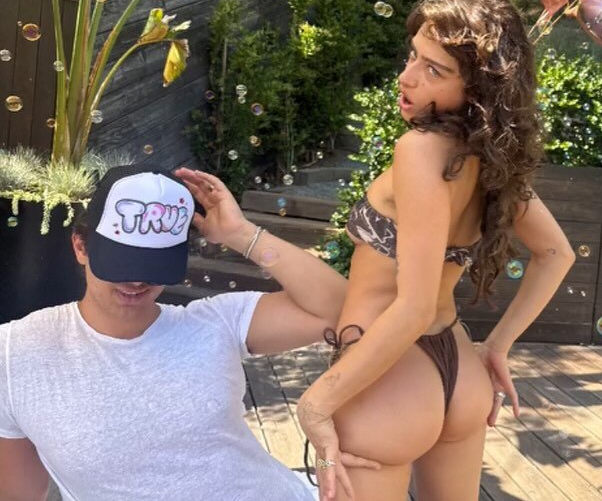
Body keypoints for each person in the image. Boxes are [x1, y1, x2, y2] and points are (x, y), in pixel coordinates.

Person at [295, 0, 576, 500]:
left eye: (433, 70)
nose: (406, 77)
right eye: (412, 57)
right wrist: (497, 346)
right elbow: (557, 253)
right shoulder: (492, 162)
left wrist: (315, 403)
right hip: (459, 372)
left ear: (478, 89)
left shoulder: (420, 150)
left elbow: (415, 306)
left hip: (390, 380)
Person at [0, 165, 378, 501]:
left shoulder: (214, 322)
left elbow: (340, 310)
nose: (137, 280)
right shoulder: (16, 351)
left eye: (153, 264)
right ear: (81, 247)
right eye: (123, 261)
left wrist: (240, 233)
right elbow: (18, 493)